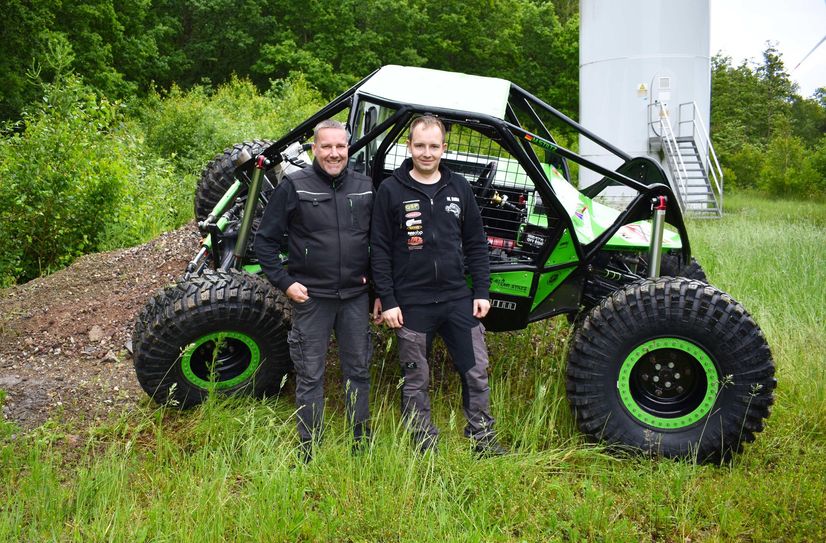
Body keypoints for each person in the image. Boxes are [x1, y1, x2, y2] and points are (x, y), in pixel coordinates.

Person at [370, 115, 506, 456]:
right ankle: (422, 442)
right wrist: (386, 299)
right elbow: (380, 250)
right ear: (409, 146)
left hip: (457, 299)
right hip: (411, 303)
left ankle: (483, 440)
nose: (426, 153)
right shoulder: (390, 190)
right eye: (420, 145)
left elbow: (476, 242)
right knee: (416, 378)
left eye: (434, 146)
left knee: (476, 371)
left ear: (444, 148)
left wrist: (482, 291)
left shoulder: (459, 187)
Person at [255, 119, 375, 461]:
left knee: (358, 372)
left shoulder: (365, 187)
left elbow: (378, 244)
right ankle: (309, 448)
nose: (334, 153)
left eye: (340, 146)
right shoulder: (294, 186)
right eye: (326, 146)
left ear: (348, 148)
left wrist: (377, 290)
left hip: (354, 298)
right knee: (310, 375)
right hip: (312, 299)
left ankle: (360, 444)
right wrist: (285, 282)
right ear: (314, 148)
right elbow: (264, 242)